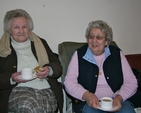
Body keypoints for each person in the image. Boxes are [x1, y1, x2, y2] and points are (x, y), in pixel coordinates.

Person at [64, 20, 138, 113]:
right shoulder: (79, 54)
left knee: (127, 112)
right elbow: (69, 82)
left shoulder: (117, 54)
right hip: (90, 103)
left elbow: (131, 81)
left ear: (106, 41)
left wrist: (120, 97)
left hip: (115, 101)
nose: (94, 40)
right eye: (91, 36)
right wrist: (87, 95)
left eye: (98, 37)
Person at [0, 9, 63, 113]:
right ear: (9, 30)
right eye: (16, 27)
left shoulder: (40, 43)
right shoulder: (2, 48)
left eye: (24, 26)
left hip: (46, 90)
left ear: (29, 28)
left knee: (40, 107)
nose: (21, 31)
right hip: (17, 91)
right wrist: (11, 78)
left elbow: (57, 65)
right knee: (30, 106)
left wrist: (49, 70)